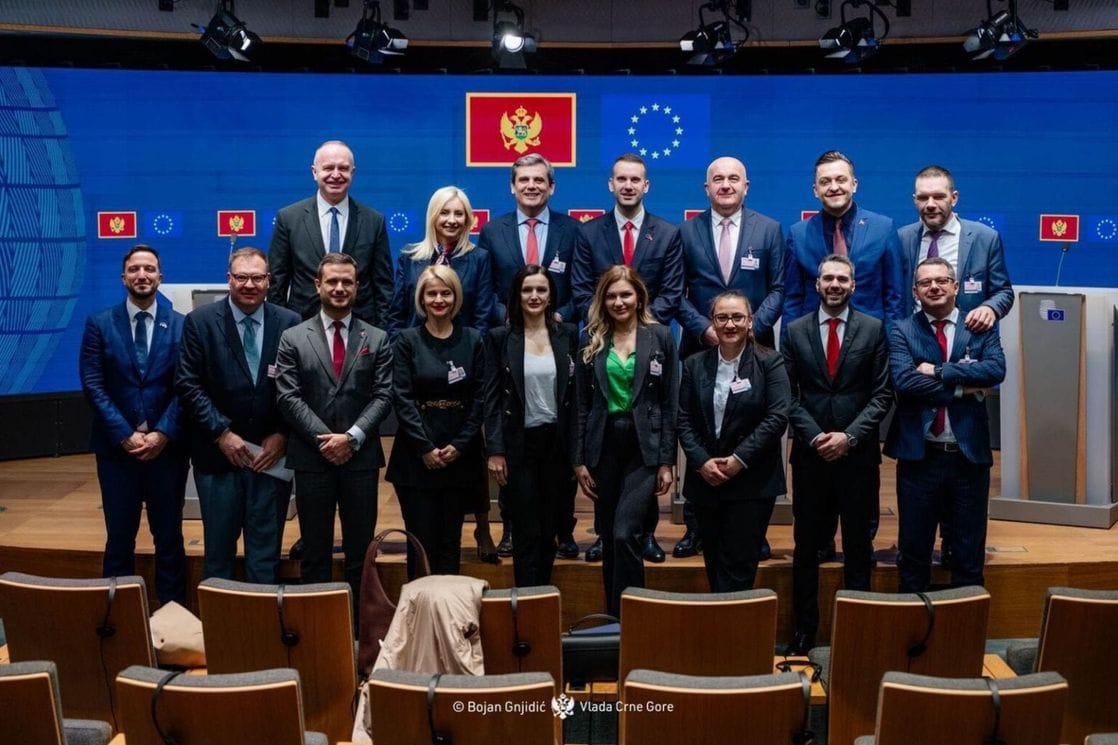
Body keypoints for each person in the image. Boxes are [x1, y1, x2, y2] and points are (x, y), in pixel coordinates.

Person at [897, 164, 1014, 569]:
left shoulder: (983, 238)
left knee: (964, 528)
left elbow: (1003, 290)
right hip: (915, 350)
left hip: (967, 347)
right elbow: (896, 296)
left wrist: (989, 308)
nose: (931, 203)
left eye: (938, 196)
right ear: (915, 200)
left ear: (954, 197)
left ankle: (955, 557)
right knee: (918, 521)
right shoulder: (903, 238)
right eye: (923, 197)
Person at [571, 152, 685, 564]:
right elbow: (581, 290)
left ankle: (645, 533)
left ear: (646, 185)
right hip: (605, 340)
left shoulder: (667, 233)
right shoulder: (589, 233)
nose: (628, 185)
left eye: (636, 179)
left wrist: (644, 327)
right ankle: (606, 535)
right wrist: (607, 322)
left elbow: (672, 291)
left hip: (647, 340)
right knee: (609, 455)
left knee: (646, 443)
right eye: (621, 178)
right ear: (611, 184)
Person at [675, 155, 784, 561]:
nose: (725, 184)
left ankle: (752, 528)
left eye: (733, 178)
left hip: (754, 349)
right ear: (706, 188)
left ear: (746, 186)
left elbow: (778, 288)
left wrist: (751, 327)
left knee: (751, 427)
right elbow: (675, 292)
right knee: (699, 431)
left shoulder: (769, 229)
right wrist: (705, 329)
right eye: (717, 179)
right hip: (701, 347)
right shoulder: (686, 232)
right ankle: (695, 526)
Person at [782, 255, 891, 655]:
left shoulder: (874, 329)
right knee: (806, 548)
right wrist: (815, 437)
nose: (834, 284)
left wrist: (849, 436)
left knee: (858, 548)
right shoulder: (794, 331)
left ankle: (856, 631)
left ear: (853, 285)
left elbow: (882, 394)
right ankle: (804, 631)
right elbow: (787, 396)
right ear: (816, 284)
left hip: (857, 457)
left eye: (842, 279)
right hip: (811, 457)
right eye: (827, 278)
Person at [386, 186, 498, 563]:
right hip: (417, 363)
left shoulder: (478, 258)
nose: (451, 220)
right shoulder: (410, 257)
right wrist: (407, 351)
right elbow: (397, 311)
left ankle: (481, 527)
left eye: (459, 213)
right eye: (444, 212)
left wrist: (463, 351)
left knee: (464, 473)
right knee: (423, 527)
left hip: (463, 361)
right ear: (432, 216)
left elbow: (482, 314)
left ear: (469, 220)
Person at [275, 253, 393, 611]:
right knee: (315, 553)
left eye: (347, 282)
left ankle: (359, 632)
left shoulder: (377, 337)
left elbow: (384, 394)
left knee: (361, 554)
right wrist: (326, 441)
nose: (339, 288)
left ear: (357, 287)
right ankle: (319, 630)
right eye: (332, 281)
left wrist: (352, 437)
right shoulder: (293, 337)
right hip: (312, 459)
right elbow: (288, 396)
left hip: (360, 460)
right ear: (318, 285)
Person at [175, 247, 301, 584]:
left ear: (269, 281)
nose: (249, 284)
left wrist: (283, 434)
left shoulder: (290, 323)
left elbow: (300, 386)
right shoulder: (200, 322)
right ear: (228, 279)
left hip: (269, 459)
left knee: (265, 558)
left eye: (257, 277)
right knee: (218, 558)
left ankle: (262, 619)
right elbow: (188, 384)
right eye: (241, 277)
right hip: (218, 459)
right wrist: (222, 433)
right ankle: (221, 619)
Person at [478, 153, 580, 557]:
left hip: (556, 337)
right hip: (512, 341)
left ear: (551, 186)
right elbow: (486, 289)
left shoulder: (573, 230)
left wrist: (557, 317)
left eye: (540, 180)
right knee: (514, 437)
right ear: (512, 186)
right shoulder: (492, 231)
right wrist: (512, 320)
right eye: (524, 180)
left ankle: (564, 529)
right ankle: (511, 528)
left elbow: (580, 289)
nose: (532, 186)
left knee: (560, 440)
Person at [884, 257, 1006, 593]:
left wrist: (939, 371)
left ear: (955, 286)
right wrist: (964, 388)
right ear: (915, 291)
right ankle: (912, 623)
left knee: (968, 558)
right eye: (925, 282)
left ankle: (966, 624)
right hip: (920, 458)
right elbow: (904, 381)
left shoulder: (979, 325)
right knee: (913, 556)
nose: (934, 287)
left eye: (941, 280)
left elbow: (995, 371)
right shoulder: (901, 330)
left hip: (968, 459)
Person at [79, 245, 188, 605]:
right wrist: (125, 434)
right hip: (117, 452)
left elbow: (186, 386)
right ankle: (118, 618)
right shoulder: (99, 324)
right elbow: (93, 384)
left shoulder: (182, 325)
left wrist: (162, 433)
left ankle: (173, 615)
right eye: (135, 269)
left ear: (161, 276)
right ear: (123, 277)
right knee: (119, 538)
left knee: (169, 539)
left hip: (166, 452)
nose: (142, 275)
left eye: (150, 269)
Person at [574, 266, 677, 616]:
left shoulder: (660, 336)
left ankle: (635, 616)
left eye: (625, 295)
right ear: (602, 300)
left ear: (639, 297)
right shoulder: (591, 338)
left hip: (644, 448)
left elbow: (669, 402)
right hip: (602, 446)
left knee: (625, 533)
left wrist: (667, 461)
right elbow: (582, 405)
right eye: (611, 296)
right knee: (610, 537)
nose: (619, 302)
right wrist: (578, 460)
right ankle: (613, 619)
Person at [676, 291, 790, 593]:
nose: (730, 324)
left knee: (738, 568)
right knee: (713, 563)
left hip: (752, 481)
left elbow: (777, 417)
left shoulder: (770, 362)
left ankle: (734, 624)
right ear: (712, 322)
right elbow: (683, 419)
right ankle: (721, 620)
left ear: (750, 321)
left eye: (737, 317)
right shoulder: (694, 364)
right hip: (707, 480)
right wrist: (701, 461)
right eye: (722, 317)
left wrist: (739, 459)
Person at [387, 265, 489, 575]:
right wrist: (425, 448)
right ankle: (419, 605)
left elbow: (480, 398)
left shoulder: (473, 339)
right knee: (421, 544)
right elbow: (401, 397)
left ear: (456, 297)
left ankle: (448, 606)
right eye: (432, 293)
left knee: (450, 542)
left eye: (446, 293)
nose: (439, 299)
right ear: (421, 298)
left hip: (460, 454)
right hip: (416, 456)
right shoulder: (407, 340)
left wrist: (460, 445)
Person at [484, 265, 579, 586]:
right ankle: (527, 601)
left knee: (550, 529)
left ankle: (544, 598)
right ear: (517, 295)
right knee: (526, 531)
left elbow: (576, 397)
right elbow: (491, 399)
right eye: (527, 290)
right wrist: (495, 450)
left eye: (541, 289)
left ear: (551, 295)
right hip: (518, 445)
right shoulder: (499, 338)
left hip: (557, 445)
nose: (534, 296)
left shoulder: (569, 335)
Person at [268, 140, 393, 326]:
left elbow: (383, 286)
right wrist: (282, 330)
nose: (336, 175)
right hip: (302, 328)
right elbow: (277, 285)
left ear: (352, 172)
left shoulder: (374, 221)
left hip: (361, 330)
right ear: (314, 172)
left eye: (343, 168)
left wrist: (382, 334)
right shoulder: (288, 219)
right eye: (328, 168)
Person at [784, 150, 905, 327]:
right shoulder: (798, 234)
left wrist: (893, 342)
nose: (834, 187)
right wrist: (789, 342)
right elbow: (792, 299)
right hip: (814, 337)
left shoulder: (883, 229)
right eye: (825, 182)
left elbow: (894, 297)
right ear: (815, 190)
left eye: (841, 180)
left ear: (854, 185)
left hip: (870, 337)